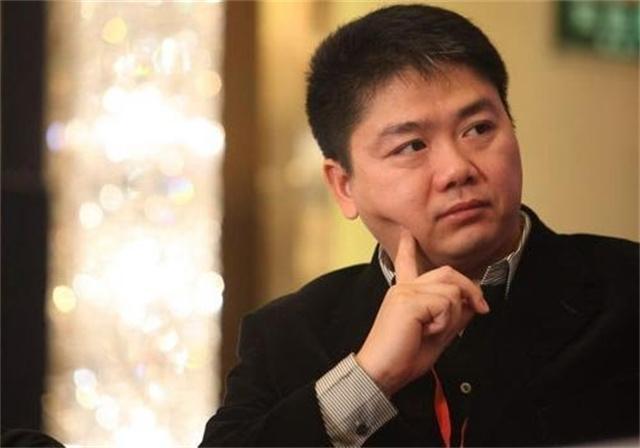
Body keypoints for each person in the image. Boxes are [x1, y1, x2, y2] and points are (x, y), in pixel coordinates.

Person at [200, 4, 639, 447]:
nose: (457, 169)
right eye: (412, 146)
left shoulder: (628, 290)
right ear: (344, 186)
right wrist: (370, 377)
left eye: (478, 128)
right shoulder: (287, 335)